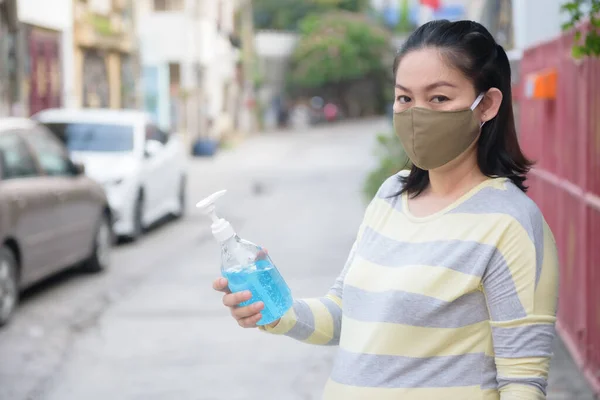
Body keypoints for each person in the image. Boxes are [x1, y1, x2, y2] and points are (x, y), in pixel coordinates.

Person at [213, 20, 559, 400]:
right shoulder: (391, 195)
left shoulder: (511, 222)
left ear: (487, 105)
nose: (416, 114)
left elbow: (522, 384)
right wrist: (278, 311)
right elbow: (347, 316)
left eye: (439, 99)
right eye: (404, 99)